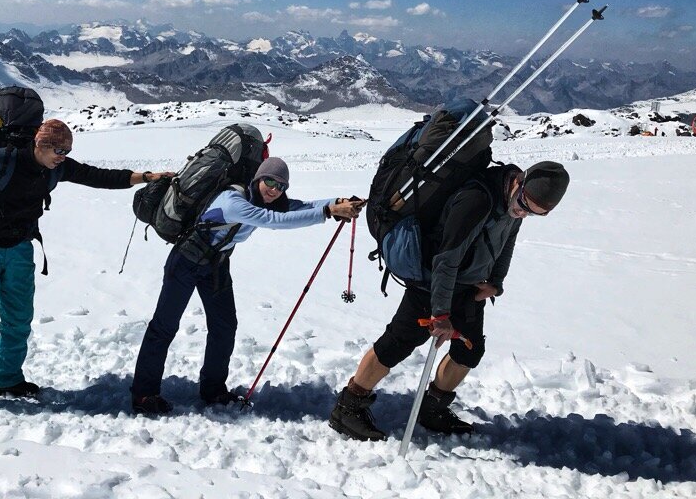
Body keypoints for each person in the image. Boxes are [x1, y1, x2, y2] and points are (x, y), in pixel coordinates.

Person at [0, 119, 172, 407]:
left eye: (67, 150)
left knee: (18, 319)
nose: (63, 156)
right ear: (40, 144)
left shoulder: (56, 168)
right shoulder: (3, 161)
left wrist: (145, 177)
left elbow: (98, 176)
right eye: (58, 149)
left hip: (21, 247)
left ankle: (7, 378)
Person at [329, 161, 570, 441]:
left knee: (469, 350)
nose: (523, 213)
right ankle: (348, 407)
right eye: (524, 204)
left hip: (469, 285)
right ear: (519, 182)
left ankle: (432, 408)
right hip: (432, 282)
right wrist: (440, 314)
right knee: (398, 343)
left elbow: (508, 238)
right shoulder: (478, 200)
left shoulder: (514, 201)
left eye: (534, 213)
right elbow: (446, 258)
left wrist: (495, 282)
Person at [130, 156, 364, 415]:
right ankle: (144, 394)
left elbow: (297, 207)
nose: (274, 190)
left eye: (281, 186)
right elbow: (273, 220)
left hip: (216, 264)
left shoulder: (263, 200)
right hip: (186, 261)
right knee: (164, 326)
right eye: (270, 181)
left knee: (224, 326)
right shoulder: (234, 201)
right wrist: (327, 212)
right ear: (258, 178)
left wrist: (335, 203)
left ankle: (213, 389)